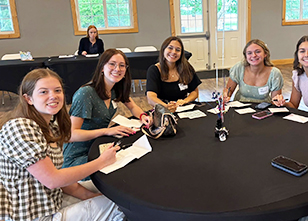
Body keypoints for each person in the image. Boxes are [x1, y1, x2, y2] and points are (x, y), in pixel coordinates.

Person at [0, 69, 124, 221]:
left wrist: (89, 196)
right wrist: (101, 161)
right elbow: (53, 180)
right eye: (43, 92)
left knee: (115, 189)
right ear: (28, 99)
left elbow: (59, 178)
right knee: (122, 203)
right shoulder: (20, 127)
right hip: (31, 215)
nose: (53, 96)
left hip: (51, 200)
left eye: (57, 90)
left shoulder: (49, 125)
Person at [63, 49, 152, 172]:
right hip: (78, 157)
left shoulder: (115, 89)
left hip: (98, 148)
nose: (117, 69)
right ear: (102, 68)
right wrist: (106, 131)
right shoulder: (86, 93)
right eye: (112, 64)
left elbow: (132, 106)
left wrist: (143, 116)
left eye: (122, 65)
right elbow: (70, 135)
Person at [146, 36, 202, 112]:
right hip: (163, 110)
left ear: (181, 53)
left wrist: (185, 101)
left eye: (178, 50)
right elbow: (151, 97)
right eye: (170, 48)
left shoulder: (186, 67)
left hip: (183, 108)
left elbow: (194, 92)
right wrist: (167, 107)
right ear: (163, 49)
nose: (173, 52)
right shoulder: (154, 70)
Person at [223, 39, 284, 103]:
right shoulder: (239, 68)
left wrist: (278, 101)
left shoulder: (275, 73)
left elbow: (275, 100)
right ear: (246, 56)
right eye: (249, 53)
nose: (254, 55)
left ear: (265, 54)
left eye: (257, 52)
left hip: (262, 109)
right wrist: (225, 95)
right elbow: (228, 90)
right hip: (240, 107)